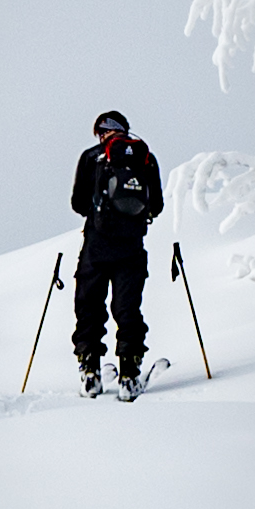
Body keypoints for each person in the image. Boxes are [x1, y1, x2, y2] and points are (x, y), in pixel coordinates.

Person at [68, 109, 169, 395]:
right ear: (125, 130)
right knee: (127, 309)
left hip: (96, 247)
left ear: (102, 132)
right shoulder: (145, 158)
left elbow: (77, 203)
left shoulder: (91, 157)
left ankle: (90, 372)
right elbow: (157, 205)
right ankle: (129, 374)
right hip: (131, 247)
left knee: (89, 307)